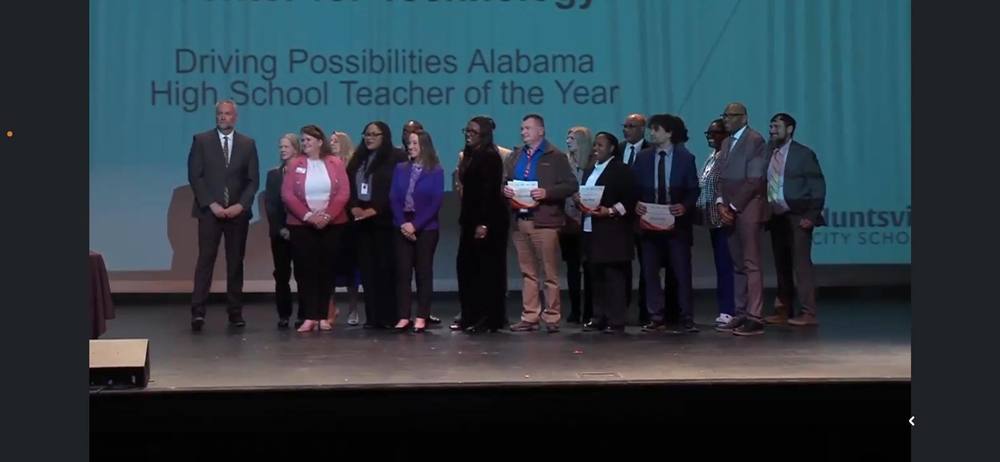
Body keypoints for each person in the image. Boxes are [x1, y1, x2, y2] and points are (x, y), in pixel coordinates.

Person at [187, 100, 260, 332]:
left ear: (235, 117)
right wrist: (211, 204)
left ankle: (235, 312)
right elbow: (195, 176)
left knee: (235, 263)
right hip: (210, 213)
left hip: (237, 214)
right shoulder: (201, 140)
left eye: (227, 114)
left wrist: (241, 205)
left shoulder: (248, 144)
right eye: (219, 114)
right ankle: (198, 313)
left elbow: (253, 180)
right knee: (205, 262)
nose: (223, 117)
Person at [504, 114, 579, 333]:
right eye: (522, 128)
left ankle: (552, 317)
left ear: (541, 131)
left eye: (528, 128)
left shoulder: (555, 156)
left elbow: (570, 185)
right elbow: (504, 181)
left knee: (549, 272)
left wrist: (547, 192)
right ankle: (530, 315)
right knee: (528, 272)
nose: (523, 132)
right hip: (520, 219)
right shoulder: (516, 155)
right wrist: (505, 190)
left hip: (545, 221)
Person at [632, 114, 700, 334]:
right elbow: (632, 187)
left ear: (669, 133)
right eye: (651, 129)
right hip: (649, 224)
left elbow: (692, 189)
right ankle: (655, 316)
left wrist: (685, 206)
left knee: (681, 273)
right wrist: (636, 204)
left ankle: (686, 317)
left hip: (676, 225)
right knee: (650, 273)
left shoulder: (685, 158)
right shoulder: (642, 158)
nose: (652, 133)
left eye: (656, 129)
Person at [281, 125, 350, 332]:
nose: (305, 144)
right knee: (305, 271)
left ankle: (323, 316)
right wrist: (309, 216)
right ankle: (309, 316)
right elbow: (288, 194)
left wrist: (327, 215)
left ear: (320, 142)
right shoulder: (296, 164)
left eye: (309, 140)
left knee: (326, 271)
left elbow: (343, 193)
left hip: (332, 225)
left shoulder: (335, 163)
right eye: (303, 141)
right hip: (302, 226)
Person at [763, 113, 826, 326]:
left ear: (789, 129)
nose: (772, 130)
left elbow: (817, 186)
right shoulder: (766, 152)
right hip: (776, 215)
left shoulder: (803, 154)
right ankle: (783, 309)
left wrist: (811, 215)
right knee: (782, 265)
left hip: (798, 215)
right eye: (771, 126)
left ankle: (808, 312)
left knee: (801, 265)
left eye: (777, 126)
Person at [714, 102, 770, 336]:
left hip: (747, 207)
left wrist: (734, 206)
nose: (726, 119)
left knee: (750, 263)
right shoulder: (726, 142)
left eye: (731, 115)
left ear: (744, 117)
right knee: (736, 262)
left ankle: (755, 316)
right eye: (724, 115)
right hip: (728, 208)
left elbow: (755, 180)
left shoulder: (755, 141)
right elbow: (719, 176)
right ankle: (740, 312)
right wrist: (720, 203)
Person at [347, 121, 407, 329]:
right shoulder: (358, 158)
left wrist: (376, 210)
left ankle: (389, 317)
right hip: (361, 222)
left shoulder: (397, 157)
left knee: (386, 270)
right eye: (366, 134)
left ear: (385, 136)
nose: (369, 138)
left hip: (385, 221)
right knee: (367, 271)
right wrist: (354, 207)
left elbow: (398, 189)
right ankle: (372, 317)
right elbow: (349, 187)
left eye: (374, 134)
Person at [575, 132, 637, 334]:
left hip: (612, 231)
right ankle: (598, 316)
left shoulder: (621, 170)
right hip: (590, 229)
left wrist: (610, 211)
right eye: (595, 145)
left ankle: (616, 319)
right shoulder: (590, 169)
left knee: (614, 278)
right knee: (596, 277)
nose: (596, 148)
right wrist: (579, 200)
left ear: (611, 148)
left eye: (600, 145)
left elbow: (630, 199)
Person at [456, 116, 510, 333]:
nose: (469, 134)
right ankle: (471, 315)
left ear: (485, 134)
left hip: (487, 221)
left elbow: (489, 193)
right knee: (468, 269)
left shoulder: (490, 157)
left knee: (487, 272)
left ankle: (489, 318)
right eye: (467, 130)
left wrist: (483, 224)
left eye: (474, 132)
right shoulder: (469, 155)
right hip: (469, 219)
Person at [389, 129, 444, 333]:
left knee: (423, 273)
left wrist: (416, 225)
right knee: (403, 273)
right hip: (402, 224)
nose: (410, 147)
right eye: (409, 143)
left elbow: (435, 202)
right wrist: (404, 223)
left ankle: (422, 315)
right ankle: (404, 316)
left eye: (414, 143)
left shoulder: (436, 170)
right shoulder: (400, 168)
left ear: (424, 146)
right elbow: (393, 198)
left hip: (426, 227)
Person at [696, 119, 736, 328]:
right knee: (721, 267)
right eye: (708, 133)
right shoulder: (712, 157)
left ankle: (730, 310)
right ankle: (725, 309)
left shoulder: (729, 157)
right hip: (712, 221)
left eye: (716, 133)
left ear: (727, 135)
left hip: (725, 220)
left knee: (727, 267)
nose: (711, 136)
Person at [264, 133, 301, 329]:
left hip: (301, 230)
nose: (282, 150)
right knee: (282, 275)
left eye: (286, 146)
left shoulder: (306, 173)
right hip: (279, 234)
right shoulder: (274, 175)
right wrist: (280, 229)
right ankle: (284, 314)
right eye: (281, 147)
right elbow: (270, 205)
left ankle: (305, 314)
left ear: (296, 148)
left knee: (303, 274)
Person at [328, 131, 362, 326]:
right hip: (331, 221)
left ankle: (353, 309)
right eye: (330, 141)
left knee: (351, 270)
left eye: (335, 141)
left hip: (349, 222)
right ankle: (331, 308)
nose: (332, 143)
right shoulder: (326, 164)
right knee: (330, 268)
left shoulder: (353, 166)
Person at [562, 126, 594, 324]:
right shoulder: (564, 162)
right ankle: (575, 310)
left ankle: (590, 310)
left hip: (590, 221)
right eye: (567, 137)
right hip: (568, 222)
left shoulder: (593, 162)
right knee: (572, 269)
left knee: (589, 269)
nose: (568, 141)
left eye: (572, 137)